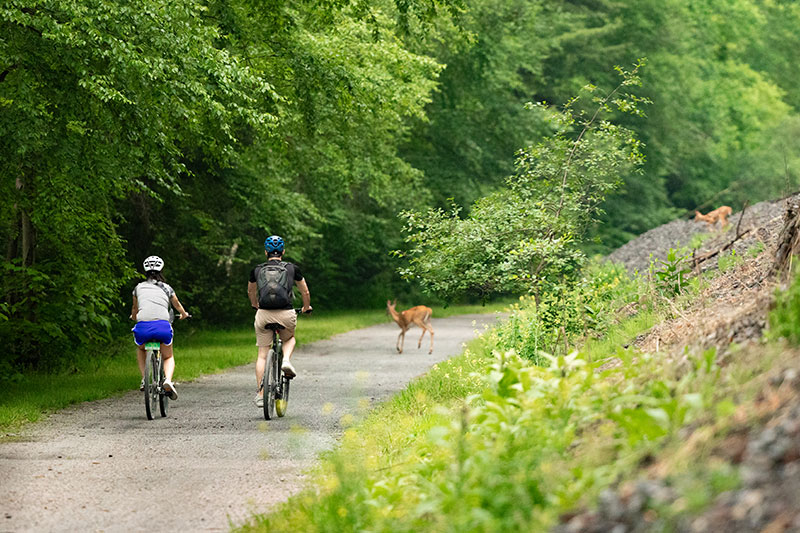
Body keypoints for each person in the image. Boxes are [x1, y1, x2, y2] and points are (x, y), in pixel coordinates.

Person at [248, 235, 312, 407]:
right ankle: (286, 361)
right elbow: (305, 292)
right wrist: (306, 307)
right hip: (286, 313)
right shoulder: (292, 268)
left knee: (262, 354)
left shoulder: (257, 270)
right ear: (283, 252)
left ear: (265, 252)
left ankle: (261, 394)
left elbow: (251, 292)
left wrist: (255, 305)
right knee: (289, 339)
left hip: (263, 314)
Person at [130, 255, 190, 399]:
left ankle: (145, 379)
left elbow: (135, 309)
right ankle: (168, 380)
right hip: (162, 326)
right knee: (168, 356)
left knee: (141, 349)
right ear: (161, 270)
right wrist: (184, 314)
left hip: (143, 327)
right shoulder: (167, 288)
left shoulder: (138, 288)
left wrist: (133, 317)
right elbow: (177, 305)